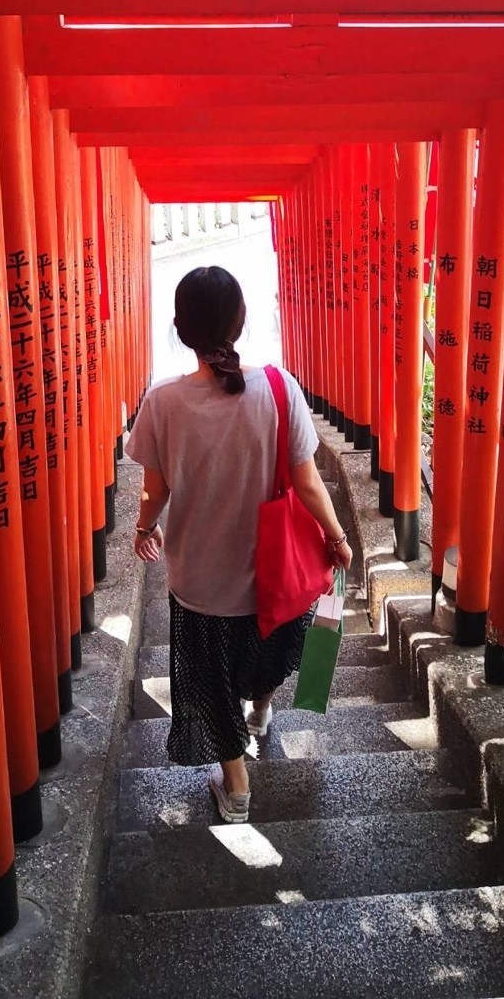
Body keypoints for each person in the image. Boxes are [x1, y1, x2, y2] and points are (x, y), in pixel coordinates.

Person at [126, 265, 353, 824]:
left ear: (180, 330)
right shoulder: (278, 389)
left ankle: (237, 785)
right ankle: (262, 713)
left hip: (201, 580)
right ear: (241, 321)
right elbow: (307, 480)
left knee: (209, 678)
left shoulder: (162, 403)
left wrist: (143, 528)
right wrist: (337, 537)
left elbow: (155, 490)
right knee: (268, 652)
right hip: (274, 575)